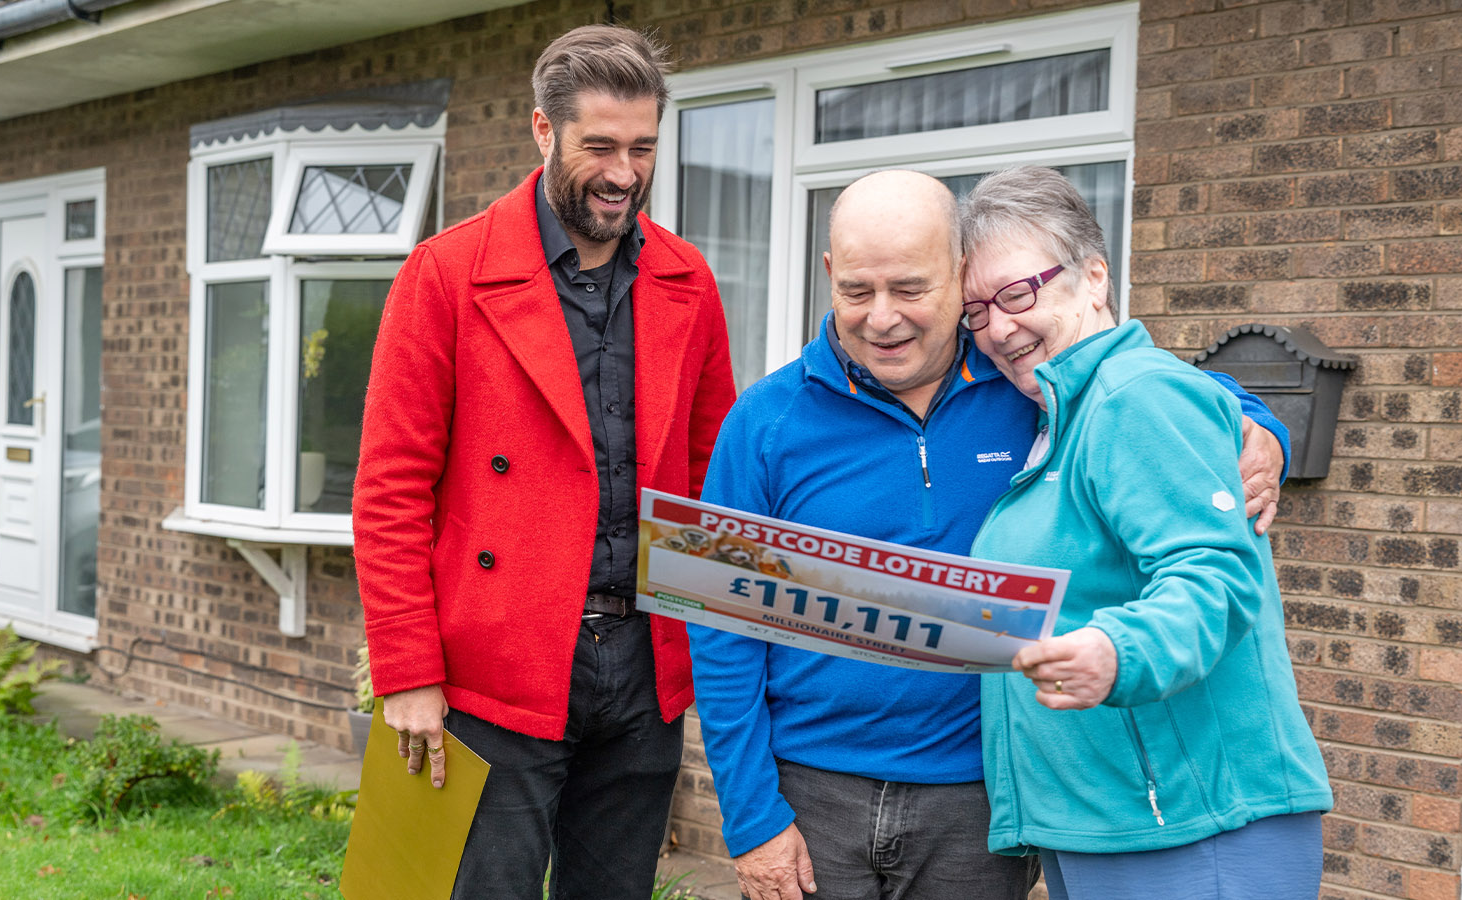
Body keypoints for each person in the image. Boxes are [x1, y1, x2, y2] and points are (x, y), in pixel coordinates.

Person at [686, 169, 1291, 900]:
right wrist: (752, 818)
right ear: (828, 277)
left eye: (911, 289)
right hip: (811, 792)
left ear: (958, 271)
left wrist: (1260, 424)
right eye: (856, 291)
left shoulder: (1027, 385)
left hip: (978, 796)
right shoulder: (762, 420)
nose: (882, 319)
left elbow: (1137, 383)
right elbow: (721, 630)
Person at [351, 24, 737, 900]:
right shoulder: (446, 275)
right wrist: (408, 672)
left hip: (643, 665)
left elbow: (716, 476)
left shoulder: (688, 279)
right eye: (599, 145)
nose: (623, 172)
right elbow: (389, 491)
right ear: (542, 130)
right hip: (493, 669)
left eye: (642, 147)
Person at [961, 165, 1332, 899]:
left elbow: (1216, 579)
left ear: (1094, 277)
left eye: (1016, 293)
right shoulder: (1056, 418)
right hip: (1109, 822)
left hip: (1197, 827)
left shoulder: (1138, 397)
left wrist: (1117, 650)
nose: (999, 327)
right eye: (976, 310)